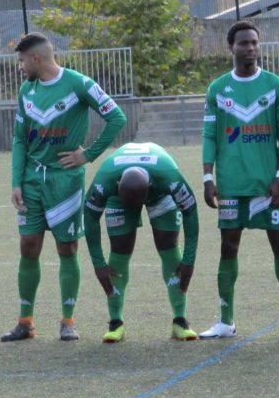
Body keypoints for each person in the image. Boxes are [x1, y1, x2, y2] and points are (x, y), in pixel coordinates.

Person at [2, 32, 126, 342]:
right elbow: (19, 139)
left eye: (20, 62)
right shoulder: (26, 92)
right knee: (28, 246)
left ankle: (67, 320)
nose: (19, 68)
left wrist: (88, 154)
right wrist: (16, 181)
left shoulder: (79, 84)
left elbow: (117, 117)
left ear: (36, 59)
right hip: (32, 180)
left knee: (66, 248)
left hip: (65, 182)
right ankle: (25, 322)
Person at [199, 21, 279, 339]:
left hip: (267, 185)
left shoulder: (275, 86)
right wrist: (208, 178)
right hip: (231, 185)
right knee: (228, 248)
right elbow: (209, 136)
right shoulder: (218, 89)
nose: (250, 48)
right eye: (243, 43)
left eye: (254, 43)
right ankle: (225, 321)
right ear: (231, 48)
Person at [83, 142, 199, 342]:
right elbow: (90, 217)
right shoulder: (104, 181)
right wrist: (98, 264)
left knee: (169, 247)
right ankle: (115, 323)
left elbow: (190, 211)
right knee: (119, 250)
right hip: (119, 197)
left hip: (160, 195)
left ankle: (180, 321)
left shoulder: (169, 176)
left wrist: (189, 260)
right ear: (117, 185)